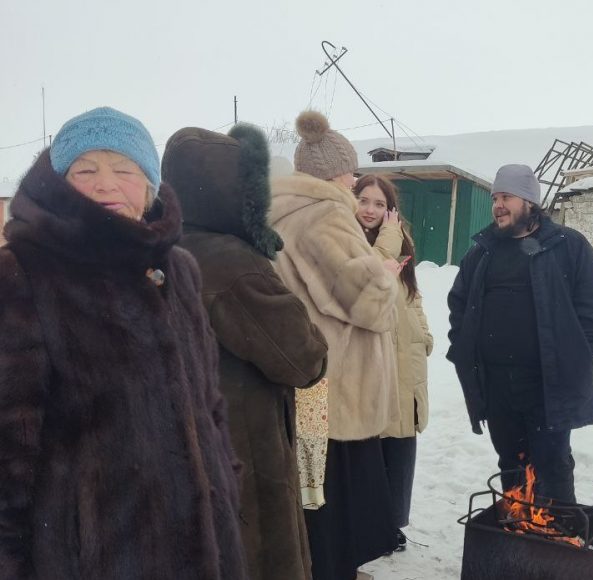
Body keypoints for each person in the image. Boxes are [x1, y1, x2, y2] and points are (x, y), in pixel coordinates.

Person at [0, 106, 247, 578]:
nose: (105, 184)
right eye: (85, 170)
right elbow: (10, 442)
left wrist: (226, 487)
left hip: (204, 544)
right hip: (91, 558)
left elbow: (209, 403)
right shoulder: (24, 273)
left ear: (149, 185)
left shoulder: (178, 269)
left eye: (124, 169)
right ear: (59, 184)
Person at [162, 124, 330, 580]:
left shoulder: (159, 250)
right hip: (244, 456)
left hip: (184, 454)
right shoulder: (233, 263)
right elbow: (303, 360)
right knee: (258, 559)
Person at [268, 110, 401, 579]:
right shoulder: (326, 215)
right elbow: (365, 299)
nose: (354, 179)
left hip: (309, 380)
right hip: (337, 385)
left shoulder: (283, 213)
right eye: (351, 171)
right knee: (334, 510)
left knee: (312, 499)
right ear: (335, 173)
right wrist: (385, 273)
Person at [446, 164, 593, 506]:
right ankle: (516, 527)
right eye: (495, 198)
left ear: (529, 202)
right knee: (510, 462)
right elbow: (459, 304)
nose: (498, 206)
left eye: (506, 197)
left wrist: (583, 350)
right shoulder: (483, 251)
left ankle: (559, 525)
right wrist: (463, 346)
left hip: (547, 382)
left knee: (552, 464)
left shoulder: (566, 245)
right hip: (496, 384)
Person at [355, 174, 434, 552]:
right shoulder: (347, 240)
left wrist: (423, 334)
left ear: (391, 210)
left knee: (399, 448)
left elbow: (412, 294)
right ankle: (367, 524)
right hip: (371, 358)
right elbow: (364, 278)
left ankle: (390, 523)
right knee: (368, 448)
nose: (370, 210)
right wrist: (387, 239)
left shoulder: (400, 243)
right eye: (364, 200)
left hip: (405, 357)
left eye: (380, 204)